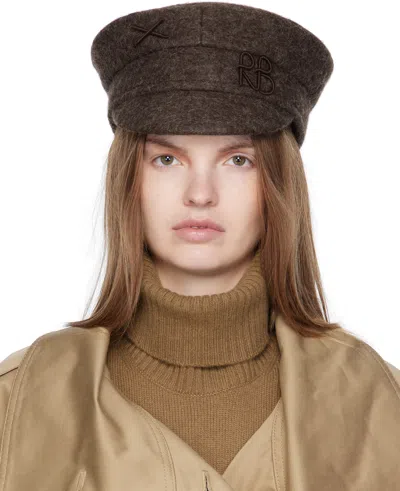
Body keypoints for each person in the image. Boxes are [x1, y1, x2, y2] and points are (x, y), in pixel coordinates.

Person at [0, 3, 399, 490]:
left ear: (278, 184)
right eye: (167, 159)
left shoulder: (378, 403)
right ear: (129, 179)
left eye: (238, 161)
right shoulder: (20, 400)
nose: (200, 193)